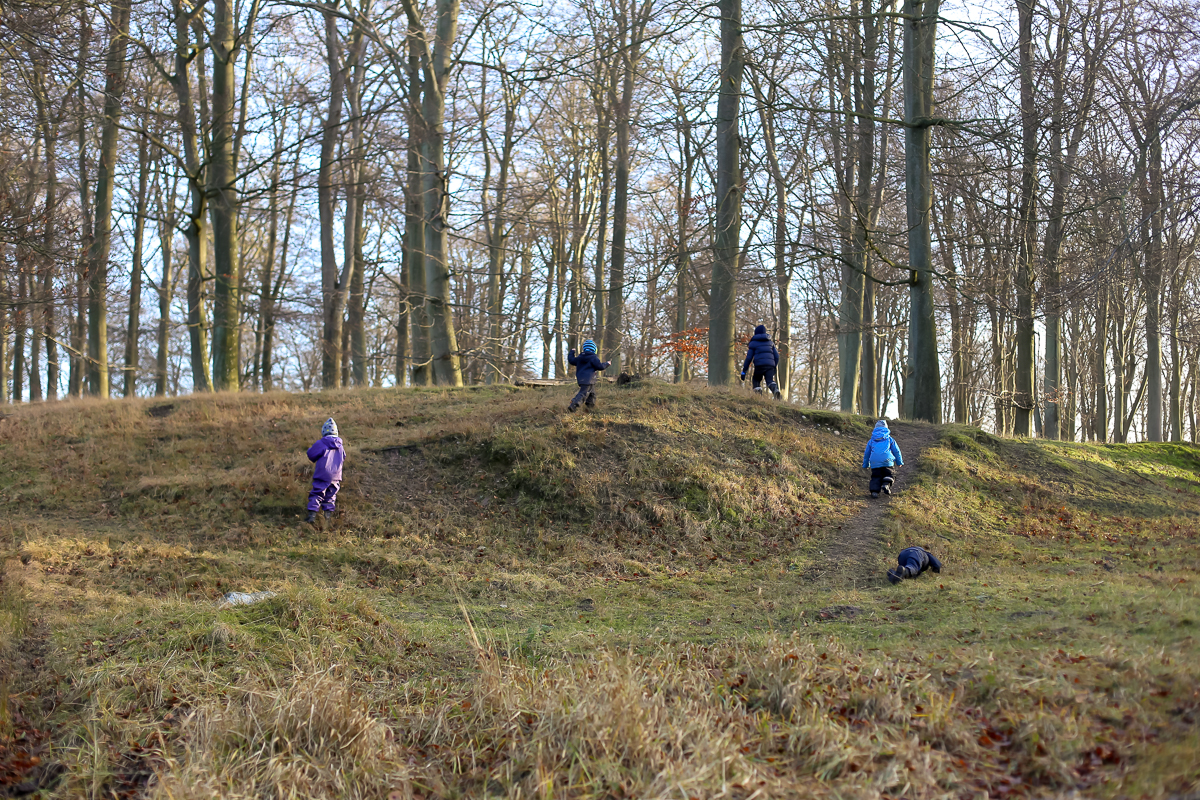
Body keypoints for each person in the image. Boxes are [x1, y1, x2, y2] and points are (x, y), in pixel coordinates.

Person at [306, 417, 346, 524]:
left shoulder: (322, 443)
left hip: (323, 474)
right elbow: (343, 457)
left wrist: (309, 450)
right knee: (330, 495)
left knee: (317, 493)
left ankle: (312, 516)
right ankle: (327, 517)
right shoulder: (340, 446)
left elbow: (311, 455)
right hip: (336, 476)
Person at [861, 419, 903, 498]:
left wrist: (865, 464)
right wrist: (899, 462)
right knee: (889, 474)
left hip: (874, 462)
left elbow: (867, 454)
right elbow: (896, 451)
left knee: (876, 476)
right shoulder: (890, 439)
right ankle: (886, 484)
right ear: (886, 429)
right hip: (887, 461)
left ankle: (874, 492)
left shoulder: (871, 441)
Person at [566, 340, 611, 412]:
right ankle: (574, 405)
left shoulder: (580, 357)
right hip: (589, 379)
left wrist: (572, 352)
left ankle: (590, 407)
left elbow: (571, 360)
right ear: (594, 349)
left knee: (591, 393)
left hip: (581, 379)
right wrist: (607, 363)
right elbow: (600, 366)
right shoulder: (593, 358)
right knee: (583, 393)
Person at [740, 325, 781, 399]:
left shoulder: (753, 343)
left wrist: (744, 371)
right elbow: (777, 356)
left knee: (756, 379)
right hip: (770, 365)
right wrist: (774, 366)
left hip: (759, 365)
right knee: (769, 380)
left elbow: (749, 358)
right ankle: (775, 389)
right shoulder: (771, 343)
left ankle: (758, 397)